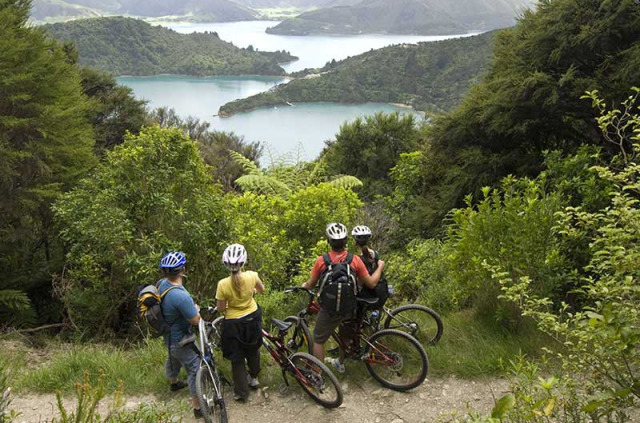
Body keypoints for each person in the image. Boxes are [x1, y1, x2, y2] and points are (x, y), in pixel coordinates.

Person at [301, 222, 385, 373]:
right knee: (345, 333)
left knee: (318, 340)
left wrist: (304, 285)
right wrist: (380, 267)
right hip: (349, 307)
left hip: (330, 308)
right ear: (346, 241)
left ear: (329, 242)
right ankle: (340, 362)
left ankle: (318, 374)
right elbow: (372, 283)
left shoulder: (321, 260)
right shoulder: (355, 260)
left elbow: (311, 284)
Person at [216, 243, 265, 402]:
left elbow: (221, 308)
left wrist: (231, 304)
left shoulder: (223, 284)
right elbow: (261, 289)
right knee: (252, 348)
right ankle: (254, 378)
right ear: (243, 262)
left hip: (233, 323)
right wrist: (252, 292)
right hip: (253, 317)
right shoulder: (252, 275)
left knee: (237, 357)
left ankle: (242, 393)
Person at [157, 251, 203, 419]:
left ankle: (174, 383)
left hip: (168, 336)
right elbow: (195, 321)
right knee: (194, 368)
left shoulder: (162, 284)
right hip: (181, 339)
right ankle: (198, 407)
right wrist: (196, 310)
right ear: (182, 270)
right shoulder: (181, 296)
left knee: (173, 357)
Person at [351, 225, 389, 307]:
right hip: (380, 289)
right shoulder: (374, 253)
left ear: (355, 242)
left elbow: (367, 282)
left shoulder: (359, 259)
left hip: (368, 293)